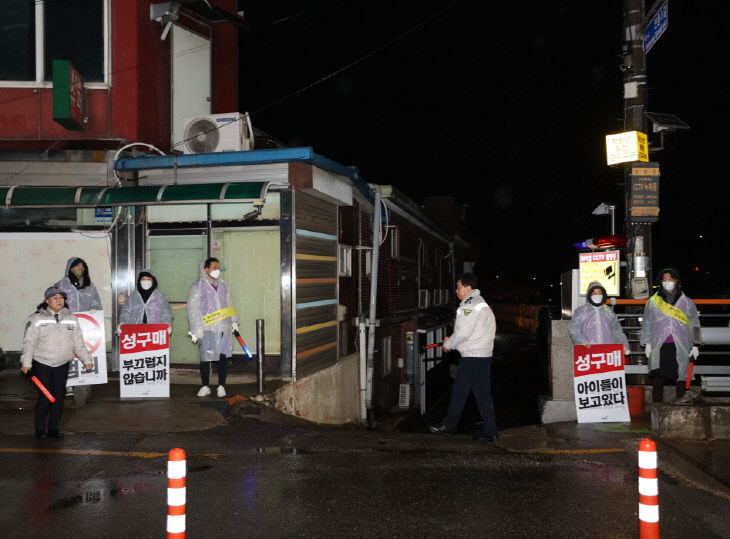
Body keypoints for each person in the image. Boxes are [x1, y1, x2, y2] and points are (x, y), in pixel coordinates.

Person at [428, 273, 498, 442]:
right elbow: (474, 333)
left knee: (459, 391)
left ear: (468, 288)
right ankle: (491, 431)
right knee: (482, 395)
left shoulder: (468, 305)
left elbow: (463, 333)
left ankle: (448, 425)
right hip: (484, 355)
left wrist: (449, 344)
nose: (456, 290)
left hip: (472, 357)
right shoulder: (481, 303)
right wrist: (452, 341)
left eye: (459, 287)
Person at [20, 286, 94, 440]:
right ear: (47, 301)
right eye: (55, 298)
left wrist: (87, 360)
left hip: (62, 364)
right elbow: (29, 342)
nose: (59, 300)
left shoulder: (71, 318)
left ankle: (53, 428)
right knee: (47, 396)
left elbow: (78, 343)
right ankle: (40, 429)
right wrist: (26, 362)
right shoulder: (36, 319)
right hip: (42, 363)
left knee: (59, 397)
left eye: (61, 297)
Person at [640, 268, 700, 404]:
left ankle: (681, 404)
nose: (667, 282)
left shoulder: (687, 302)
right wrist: (647, 343)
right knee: (658, 376)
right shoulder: (653, 301)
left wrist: (696, 344)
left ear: (676, 281)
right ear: (660, 282)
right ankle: (656, 407)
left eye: (670, 279)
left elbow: (695, 323)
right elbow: (647, 323)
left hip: (681, 343)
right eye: (664, 279)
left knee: (680, 376)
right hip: (659, 344)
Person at [187, 257, 239, 398]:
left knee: (222, 357)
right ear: (206, 269)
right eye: (214, 267)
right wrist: (196, 327)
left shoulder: (223, 285)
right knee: (206, 357)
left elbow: (229, 303)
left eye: (218, 267)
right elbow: (193, 308)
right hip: (207, 328)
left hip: (224, 327)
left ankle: (221, 385)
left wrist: (234, 321)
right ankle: (205, 386)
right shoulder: (198, 286)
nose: (217, 270)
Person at [569, 281, 630, 354]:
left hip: (607, 350)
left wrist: (623, 346)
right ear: (589, 295)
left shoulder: (608, 311)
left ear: (603, 294)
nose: (597, 295)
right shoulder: (581, 311)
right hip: (588, 350)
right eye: (594, 293)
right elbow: (573, 329)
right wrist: (582, 342)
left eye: (599, 293)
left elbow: (616, 331)